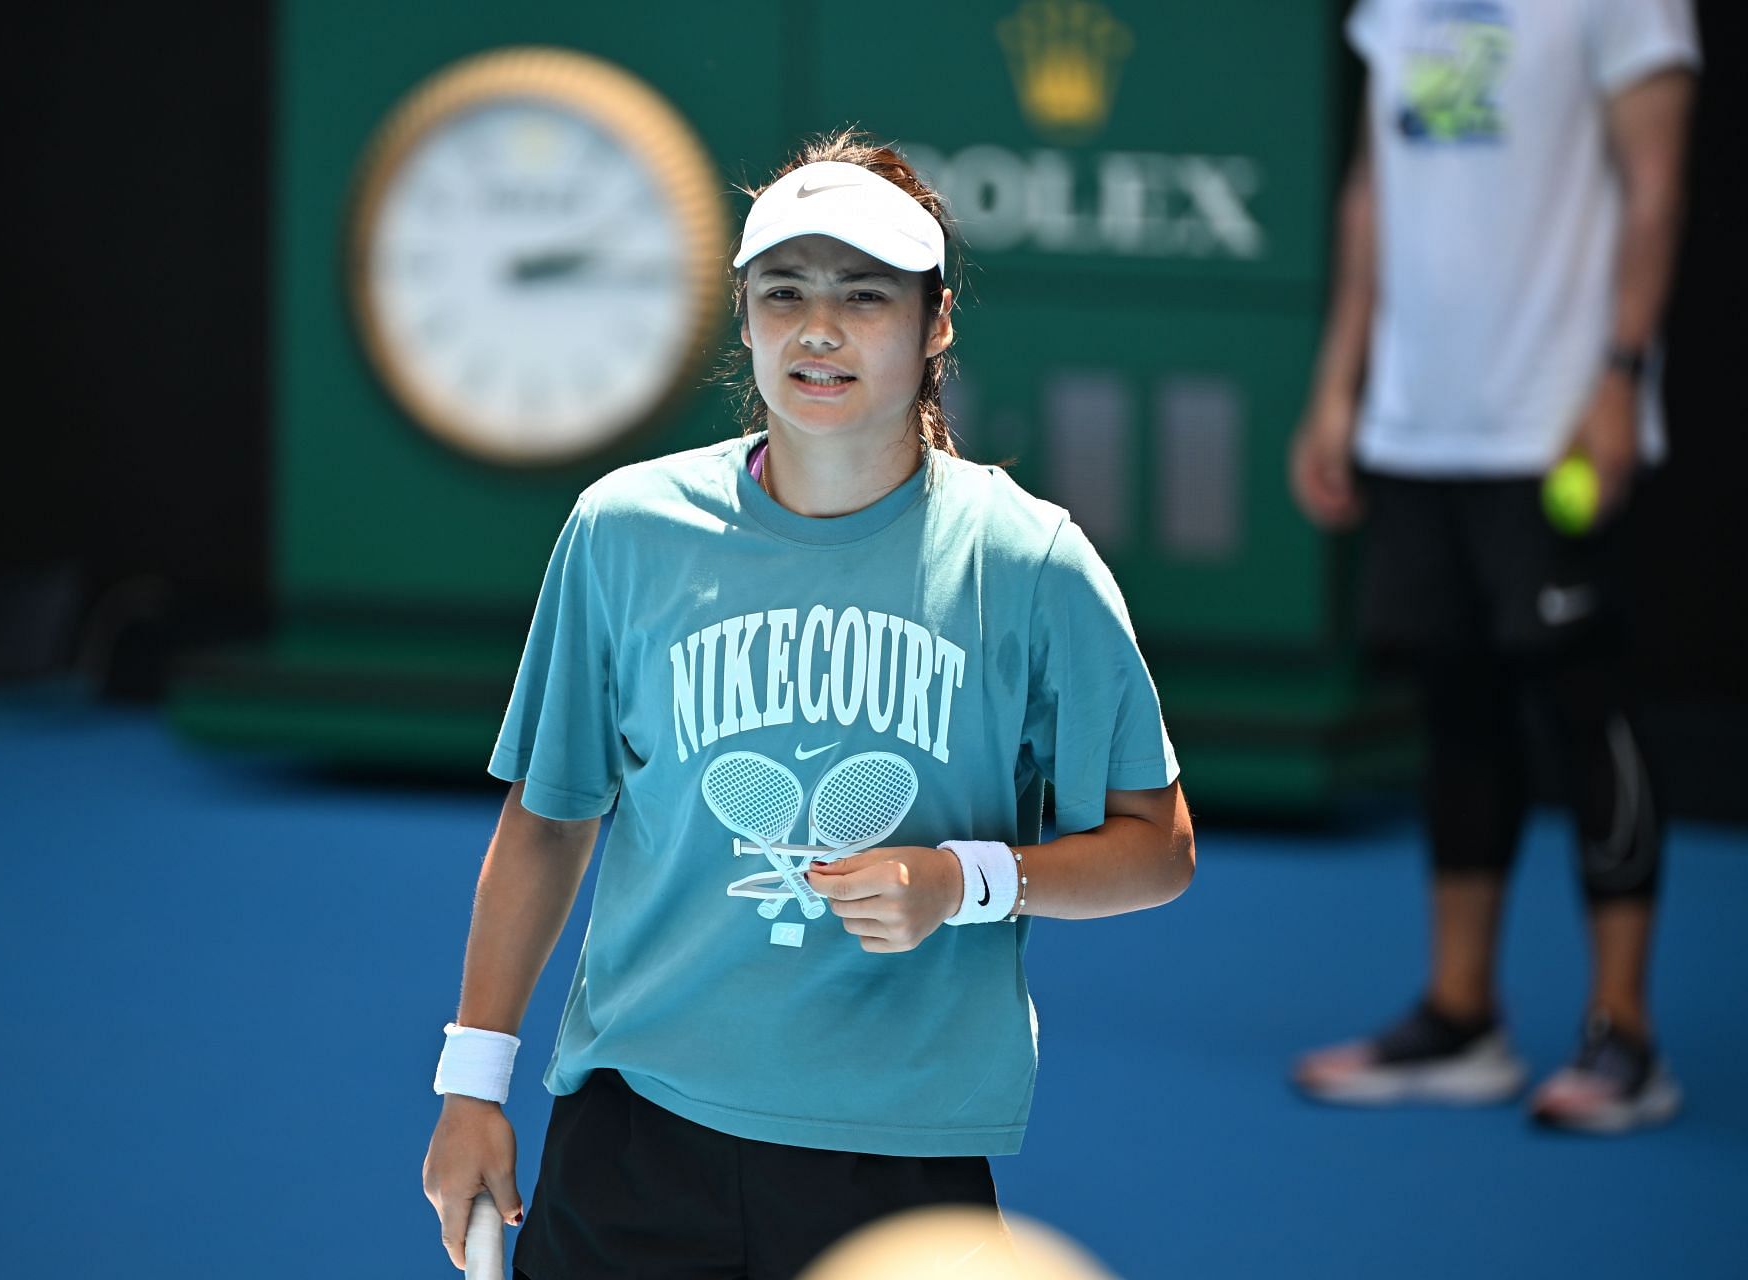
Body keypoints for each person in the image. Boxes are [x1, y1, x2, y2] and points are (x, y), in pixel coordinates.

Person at [421, 130, 1195, 1278]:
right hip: (635, 1131)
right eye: (784, 292)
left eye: (865, 296)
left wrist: (963, 880)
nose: (819, 329)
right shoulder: (622, 531)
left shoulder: (1031, 563)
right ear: (743, 315)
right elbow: (547, 819)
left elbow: (1158, 849)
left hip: (894, 1163)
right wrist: (471, 1084)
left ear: (936, 325)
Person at [1287, 0, 1699, 1132]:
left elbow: (1656, 180)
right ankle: (1461, 1016)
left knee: (1585, 705)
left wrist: (1619, 372)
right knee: (1452, 706)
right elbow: (1374, 193)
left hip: (1554, 420)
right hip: (1421, 422)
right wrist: (1340, 384)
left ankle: (1628, 1034)